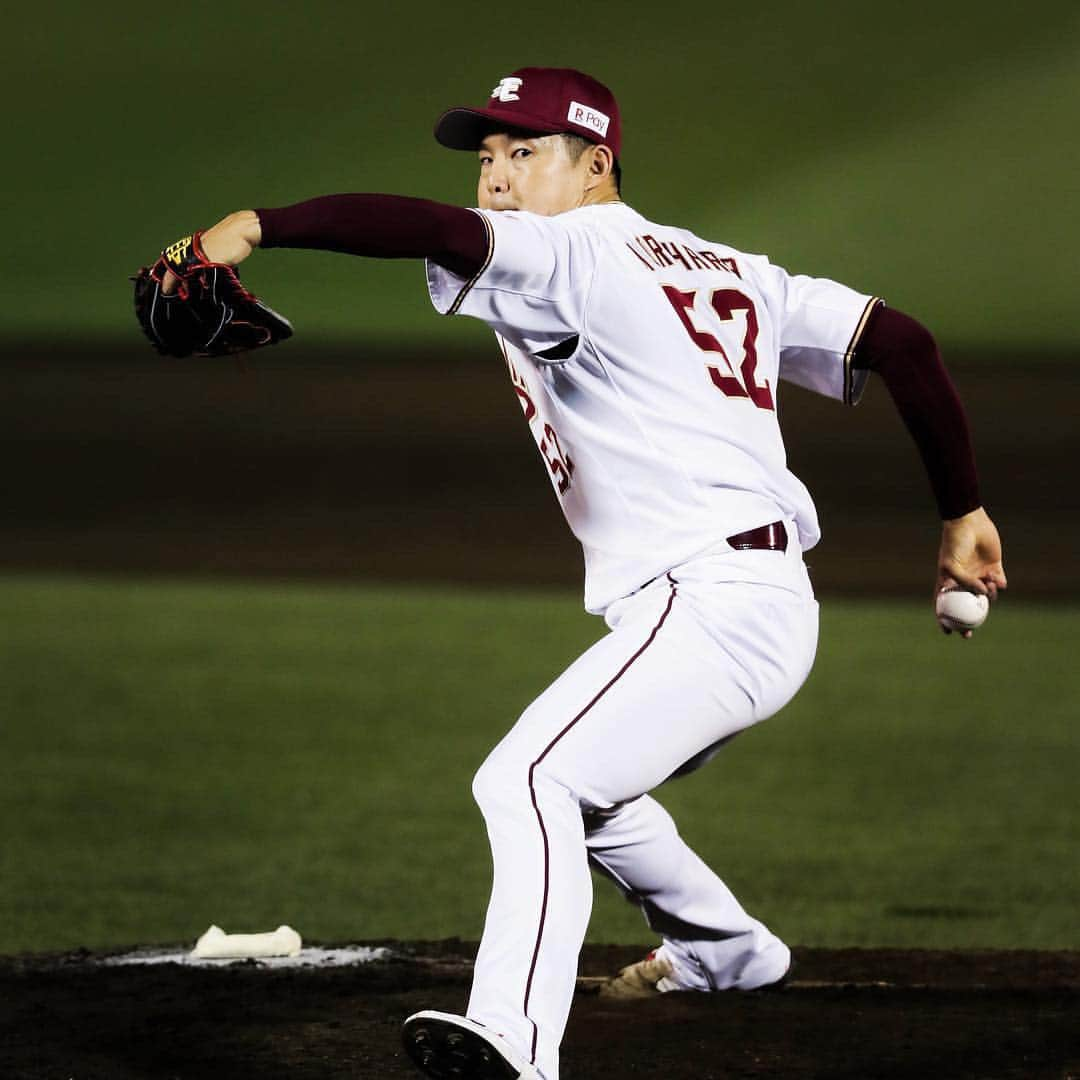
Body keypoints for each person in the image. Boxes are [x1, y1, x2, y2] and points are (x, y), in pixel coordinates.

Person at [164, 67, 1006, 1080]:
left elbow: (432, 230)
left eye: (524, 152)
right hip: (734, 605)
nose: (498, 177)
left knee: (528, 778)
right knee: (595, 793)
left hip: (715, 607)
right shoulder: (729, 265)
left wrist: (254, 225)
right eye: (488, 156)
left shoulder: (574, 252)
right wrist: (962, 509)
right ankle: (725, 950)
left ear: (595, 163)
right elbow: (900, 342)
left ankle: (517, 1044)